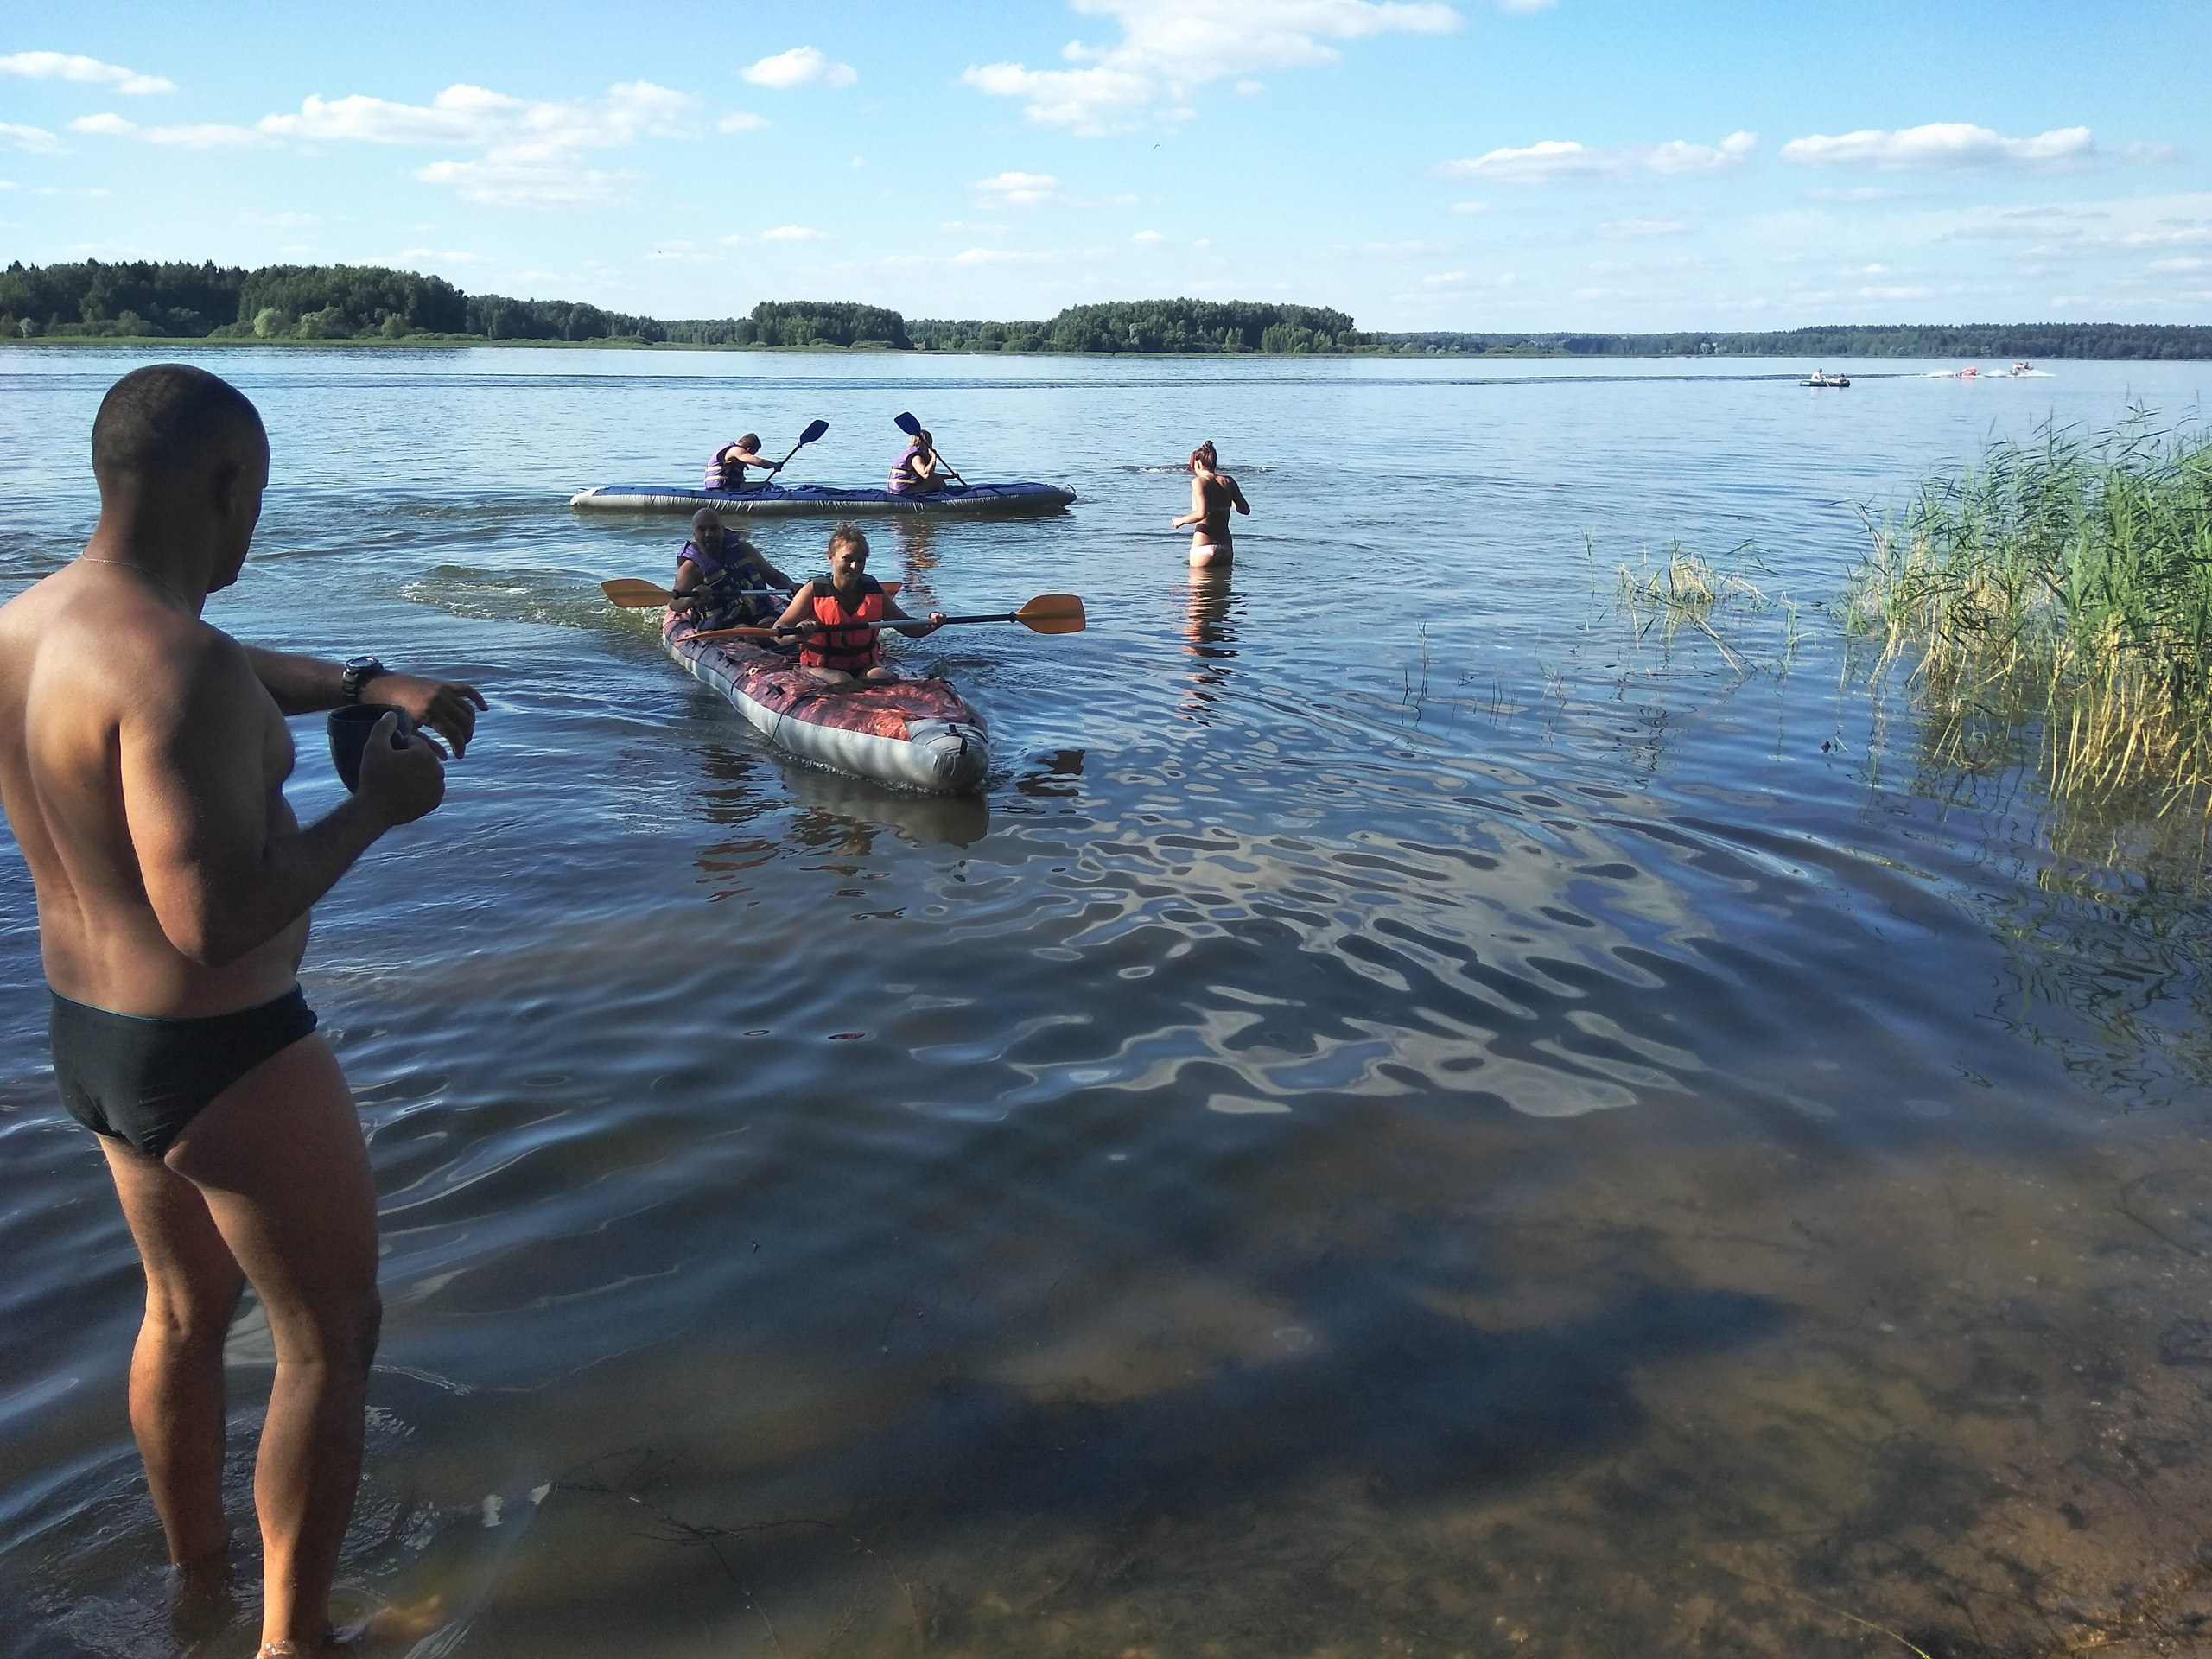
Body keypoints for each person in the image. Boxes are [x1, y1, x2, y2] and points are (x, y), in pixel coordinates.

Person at [0, 364, 486, 1657]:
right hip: (227, 1051)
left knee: (181, 1315)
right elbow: (214, 921)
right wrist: (374, 814)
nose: (255, 522)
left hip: (93, 1041)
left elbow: (213, 673)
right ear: (224, 486)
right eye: (255, 497)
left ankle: (200, 1582)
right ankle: (296, 1643)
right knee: (331, 1337)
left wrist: (366, 683)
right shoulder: (184, 669)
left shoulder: (32, 624)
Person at [772, 524, 946, 690]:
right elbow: (779, 631)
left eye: (860, 560)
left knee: (884, 679)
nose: (855, 567)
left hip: (866, 666)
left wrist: (931, 623)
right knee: (842, 680)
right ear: (830, 558)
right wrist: (797, 633)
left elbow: (908, 627)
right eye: (848, 559)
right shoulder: (813, 590)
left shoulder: (873, 589)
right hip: (820, 667)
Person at [668, 506, 795, 633]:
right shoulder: (691, 568)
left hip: (761, 614)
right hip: (723, 624)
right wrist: (693, 598)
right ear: (694, 533)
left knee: (772, 623)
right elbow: (675, 603)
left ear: (723, 530)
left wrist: (792, 586)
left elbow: (775, 578)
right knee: (742, 630)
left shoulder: (746, 550)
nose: (709, 534)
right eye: (702, 529)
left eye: (714, 528)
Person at [1172, 441, 1251, 569]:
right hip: (1225, 546)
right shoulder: (1229, 481)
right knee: (1223, 588)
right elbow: (1245, 510)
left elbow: (1201, 514)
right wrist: (1229, 499)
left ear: (1198, 463)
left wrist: (1180, 521)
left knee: (1197, 587)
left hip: (1204, 547)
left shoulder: (1199, 482)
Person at [887, 429, 952, 495]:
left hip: (897, 490)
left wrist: (950, 476)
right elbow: (926, 475)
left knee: (936, 479)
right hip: (903, 492)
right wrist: (933, 457)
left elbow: (925, 475)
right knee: (937, 480)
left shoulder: (908, 452)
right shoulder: (916, 457)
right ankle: (949, 497)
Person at [704, 434, 772, 493]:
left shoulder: (734, 452)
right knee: (766, 487)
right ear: (749, 449)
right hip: (721, 490)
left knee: (765, 485)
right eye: (754, 452)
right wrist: (775, 465)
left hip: (731, 489)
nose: (754, 454)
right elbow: (759, 462)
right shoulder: (735, 450)